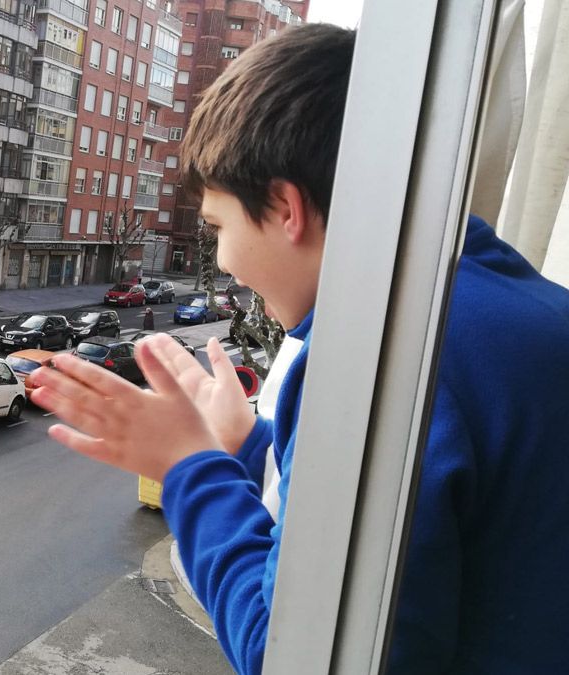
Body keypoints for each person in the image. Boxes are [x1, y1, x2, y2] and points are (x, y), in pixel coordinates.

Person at [29, 23, 569, 674]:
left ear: (287, 208)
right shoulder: (501, 302)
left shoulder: (384, 362)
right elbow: (402, 537)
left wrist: (186, 466)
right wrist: (249, 449)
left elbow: (290, 650)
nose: (225, 263)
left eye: (218, 228)